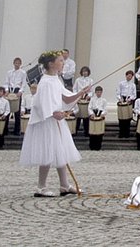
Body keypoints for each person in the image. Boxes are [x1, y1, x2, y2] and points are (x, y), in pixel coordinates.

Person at [19, 49, 90, 197]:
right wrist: (54, 113)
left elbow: (66, 98)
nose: (63, 63)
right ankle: (41, 186)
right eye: (60, 61)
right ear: (51, 64)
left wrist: (80, 93)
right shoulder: (45, 81)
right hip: (46, 122)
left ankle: (64, 185)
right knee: (47, 151)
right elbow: (42, 103)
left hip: (54, 120)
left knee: (60, 151)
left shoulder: (56, 79)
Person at [87, 86, 107, 151]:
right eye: (97, 92)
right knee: (92, 131)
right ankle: (92, 146)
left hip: (100, 117)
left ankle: (98, 146)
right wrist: (91, 113)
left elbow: (105, 109)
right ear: (95, 92)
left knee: (99, 132)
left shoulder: (104, 100)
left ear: (102, 93)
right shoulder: (92, 99)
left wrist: (102, 114)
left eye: (100, 92)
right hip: (93, 116)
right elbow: (89, 107)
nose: (99, 93)